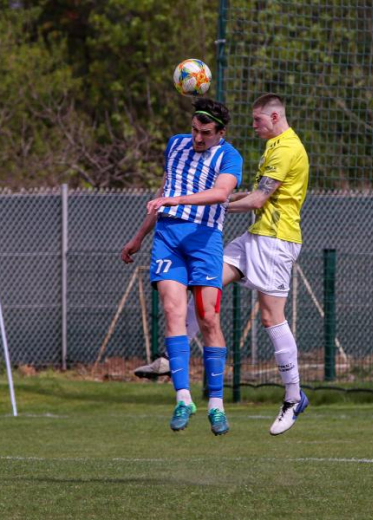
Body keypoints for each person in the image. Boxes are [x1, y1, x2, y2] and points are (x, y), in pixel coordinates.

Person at [134, 93, 310, 436]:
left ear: (274, 118)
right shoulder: (274, 146)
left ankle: (293, 396)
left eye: (258, 120)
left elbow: (259, 198)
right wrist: (207, 202)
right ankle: (174, 358)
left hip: (277, 241)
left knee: (271, 317)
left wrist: (206, 204)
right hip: (255, 236)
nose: (254, 125)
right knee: (206, 300)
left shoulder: (287, 149)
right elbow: (249, 197)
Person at [121, 98, 243, 436]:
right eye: (194, 130)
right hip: (168, 238)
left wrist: (175, 199)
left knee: (207, 318)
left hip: (204, 241)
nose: (197, 138)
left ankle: (216, 405)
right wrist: (139, 237)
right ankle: (183, 398)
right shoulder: (175, 145)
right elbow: (163, 193)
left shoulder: (230, 157)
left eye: (205, 133)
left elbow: (221, 194)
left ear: (221, 133)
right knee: (173, 313)